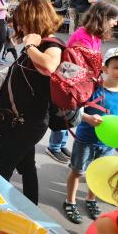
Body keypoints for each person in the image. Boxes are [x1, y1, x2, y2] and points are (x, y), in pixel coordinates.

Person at [0, 0, 64, 205]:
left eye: (23, 23)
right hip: (21, 121)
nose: (20, 28)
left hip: (27, 124)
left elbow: (50, 65)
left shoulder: (51, 44)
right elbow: (15, 70)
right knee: (27, 166)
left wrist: (31, 47)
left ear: (34, 20)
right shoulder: (36, 44)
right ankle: (31, 207)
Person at [46, 1, 118, 164]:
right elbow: (81, 63)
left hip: (82, 82)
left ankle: (61, 144)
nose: (115, 22)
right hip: (73, 82)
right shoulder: (82, 35)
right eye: (114, 19)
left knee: (73, 114)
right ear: (103, 18)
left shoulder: (94, 35)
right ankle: (54, 146)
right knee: (68, 112)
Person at [63, 48, 118, 224]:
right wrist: (87, 118)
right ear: (104, 68)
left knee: (99, 173)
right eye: (116, 67)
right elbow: (74, 109)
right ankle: (70, 201)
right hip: (85, 139)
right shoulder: (92, 88)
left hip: (108, 144)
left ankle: (91, 199)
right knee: (77, 171)